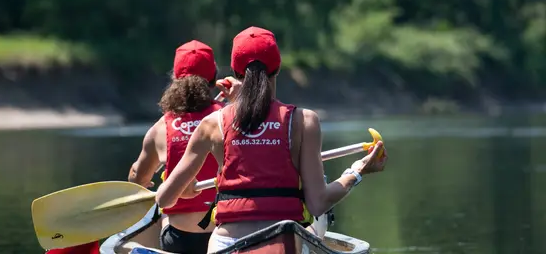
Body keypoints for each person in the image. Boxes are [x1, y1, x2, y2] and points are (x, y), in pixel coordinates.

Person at [156, 26, 388, 253]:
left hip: (226, 246)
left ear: (236, 72)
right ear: (277, 69)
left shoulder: (211, 124)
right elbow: (318, 203)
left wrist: (184, 191)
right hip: (284, 244)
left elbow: (164, 198)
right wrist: (356, 172)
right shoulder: (305, 121)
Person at [128, 40, 225, 254]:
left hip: (180, 239)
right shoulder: (229, 117)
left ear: (175, 80)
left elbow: (137, 180)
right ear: (214, 78)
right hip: (224, 234)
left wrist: (146, 176)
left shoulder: (160, 128)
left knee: (161, 216)